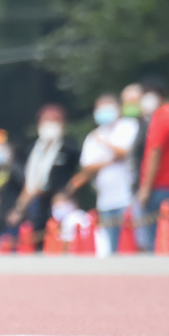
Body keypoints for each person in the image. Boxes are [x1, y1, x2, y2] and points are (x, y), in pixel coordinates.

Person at [67, 94, 139, 250]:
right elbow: (87, 167)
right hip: (105, 200)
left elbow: (124, 153)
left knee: (131, 244)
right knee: (111, 246)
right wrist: (109, 161)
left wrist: (104, 143)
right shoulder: (93, 135)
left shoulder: (128, 127)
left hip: (128, 197)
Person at [136, 76, 169, 249]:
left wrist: (145, 188)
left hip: (159, 186)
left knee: (157, 243)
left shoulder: (161, 116)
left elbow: (155, 153)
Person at [7, 105, 78, 231]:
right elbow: (29, 183)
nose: (49, 125)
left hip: (60, 206)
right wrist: (19, 208)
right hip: (37, 206)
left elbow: (81, 173)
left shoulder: (69, 149)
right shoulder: (34, 150)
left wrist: (68, 191)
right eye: (46, 121)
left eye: (54, 121)